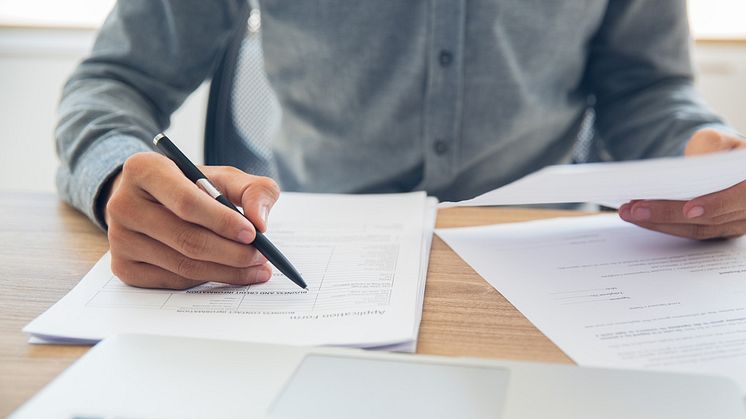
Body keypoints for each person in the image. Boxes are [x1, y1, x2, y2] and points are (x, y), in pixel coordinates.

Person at [56, 1, 746, 290]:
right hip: (316, 268)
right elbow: (113, 82)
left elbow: (646, 88)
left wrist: (699, 152)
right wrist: (117, 174)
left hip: (552, 270)